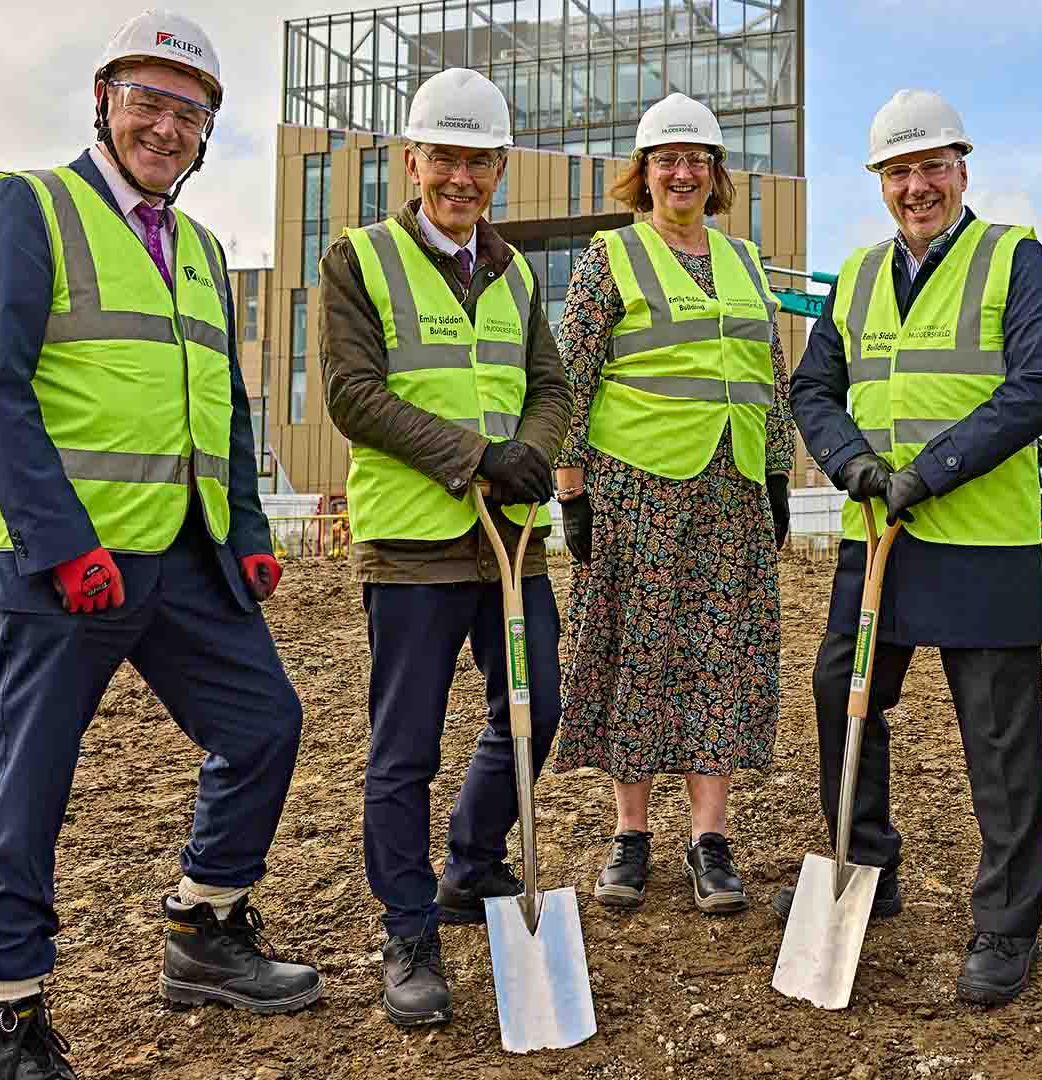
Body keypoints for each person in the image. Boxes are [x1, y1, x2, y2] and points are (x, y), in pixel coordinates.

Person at [0, 11, 318, 1079]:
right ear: (104, 101)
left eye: (187, 112)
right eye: (146, 102)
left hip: (185, 559)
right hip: (63, 568)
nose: (164, 126)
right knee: (32, 791)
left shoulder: (199, 248)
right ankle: (6, 1018)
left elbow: (229, 407)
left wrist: (245, 530)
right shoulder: (28, 206)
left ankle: (204, 933)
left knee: (265, 728)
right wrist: (63, 544)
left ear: (209, 133)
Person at [781, 89, 1042, 1008]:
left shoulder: (1011, 257)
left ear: (961, 171)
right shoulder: (859, 276)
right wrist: (855, 464)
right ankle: (866, 863)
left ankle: (1006, 923)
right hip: (882, 540)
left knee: (999, 740)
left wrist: (932, 471)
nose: (916, 187)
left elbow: (1038, 387)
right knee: (845, 694)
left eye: (931, 168)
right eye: (899, 173)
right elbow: (812, 390)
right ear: (880, 183)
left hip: (980, 545)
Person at [316, 68, 572, 1027]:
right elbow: (353, 394)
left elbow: (547, 385)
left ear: (499, 167)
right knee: (405, 746)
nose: (460, 177)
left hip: (512, 540)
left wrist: (531, 458)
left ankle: (471, 863)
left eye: (478, 160)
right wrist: (475, 458)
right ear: (411, 160)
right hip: (415, 542)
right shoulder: (360, 259)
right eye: (445, 158)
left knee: (538, 708)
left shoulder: (514, 271)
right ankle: (409, 928)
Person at [548, 92, 794, 915]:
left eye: (697, 160)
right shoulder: (609, 257)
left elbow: (771, 378)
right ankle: (631, 834)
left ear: (715, 174)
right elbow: (570, 380)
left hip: (731, 490)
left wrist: (778, 476)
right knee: (638, 652)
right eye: (667, 160)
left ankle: (709, 838)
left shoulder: (746, 261)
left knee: (718, 655)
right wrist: (571, 490)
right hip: (636, 489)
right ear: (643, 175)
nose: (683, 173)